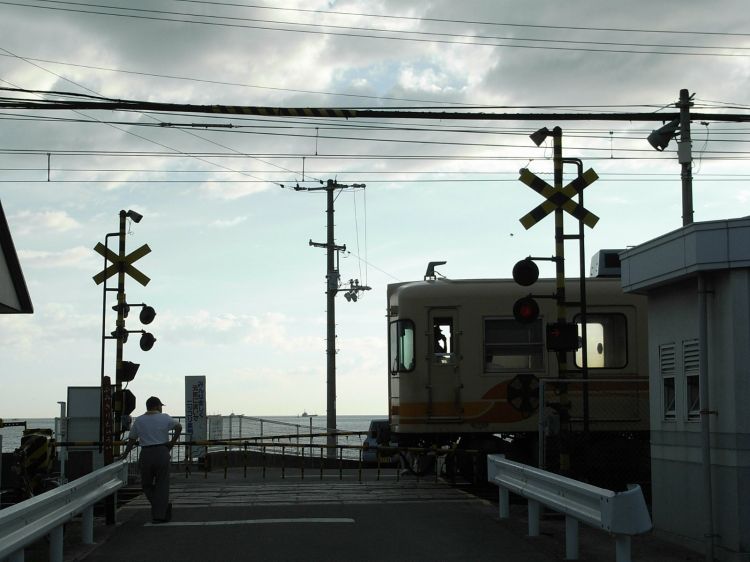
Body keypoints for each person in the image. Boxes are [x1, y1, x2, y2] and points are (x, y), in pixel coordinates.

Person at [121, 396, 182, 523]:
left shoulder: (140, 420)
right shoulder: (164, 417)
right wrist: (172, 442)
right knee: (162, 484)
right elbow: (179, 427)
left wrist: (126, 453)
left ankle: (159, 510)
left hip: (146, 453)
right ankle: (161, 511)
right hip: (162, 452)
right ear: (156, 406)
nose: (161, 408)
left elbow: (132, 439)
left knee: (146, 485)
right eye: (160, 405)